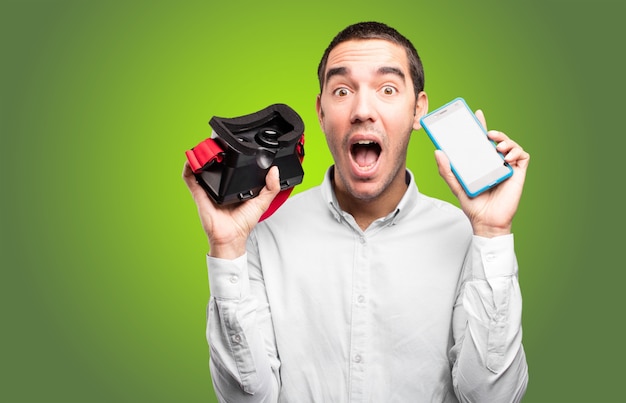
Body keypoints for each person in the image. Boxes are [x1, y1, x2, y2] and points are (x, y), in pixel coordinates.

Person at [183, 21, 529, 403]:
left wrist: (494, 233)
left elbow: (491, 398)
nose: (363, 110)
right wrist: (227, 249)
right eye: (343, 90)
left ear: (419, 110)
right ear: (320, 112)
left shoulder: (468, 238)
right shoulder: (263, 235)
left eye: (387, 89)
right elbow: (247, 399)